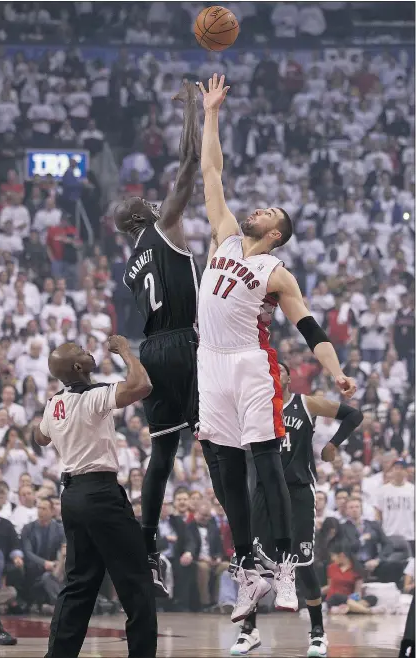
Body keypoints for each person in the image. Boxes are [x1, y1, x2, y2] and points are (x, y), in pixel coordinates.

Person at [197, 73, 356, 624]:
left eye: (266, 211)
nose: (256, 208)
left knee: (267, 466)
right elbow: (211, 171)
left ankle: (285, 564)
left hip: (250, 364)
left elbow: (312, 332)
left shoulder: (276, 271)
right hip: (208, 365)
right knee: (223, 476)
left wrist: (335, 373)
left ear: (276, 235)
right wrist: (212, 112)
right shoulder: (223, 234)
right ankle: (248, 570)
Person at [114, 79, 201, 595]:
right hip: (185, 343)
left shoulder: (130, 264)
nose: (153, 199)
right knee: (219, 438)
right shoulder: (165, 226)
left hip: (152, 351)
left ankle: (147, 548)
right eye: (147, 200)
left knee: (162, 455)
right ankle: (254, 549)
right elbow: (190, 163)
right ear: (145, 215)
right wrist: (193, 108)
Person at [35, 337, 157, 658]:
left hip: (72, 496)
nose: (88, 352)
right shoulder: (93, 396)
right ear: (78, 367)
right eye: (81, 351)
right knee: (136, 582)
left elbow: (40, 437)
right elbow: (141, 385)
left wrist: (59, 418)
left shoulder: (54, 403)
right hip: (100, 493)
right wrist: (126, 352)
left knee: (79, 584)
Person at [230, 362, 362, 657]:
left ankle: (317, 633)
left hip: (299, 490)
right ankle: (249, 631)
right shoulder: (253, 406)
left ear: (289, 377)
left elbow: (354, 414)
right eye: (267, 370)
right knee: (255, 565)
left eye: (279, 369)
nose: (273, 373)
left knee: (301, 563)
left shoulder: (306, 403)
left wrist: (333, 445)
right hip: (264, 492)